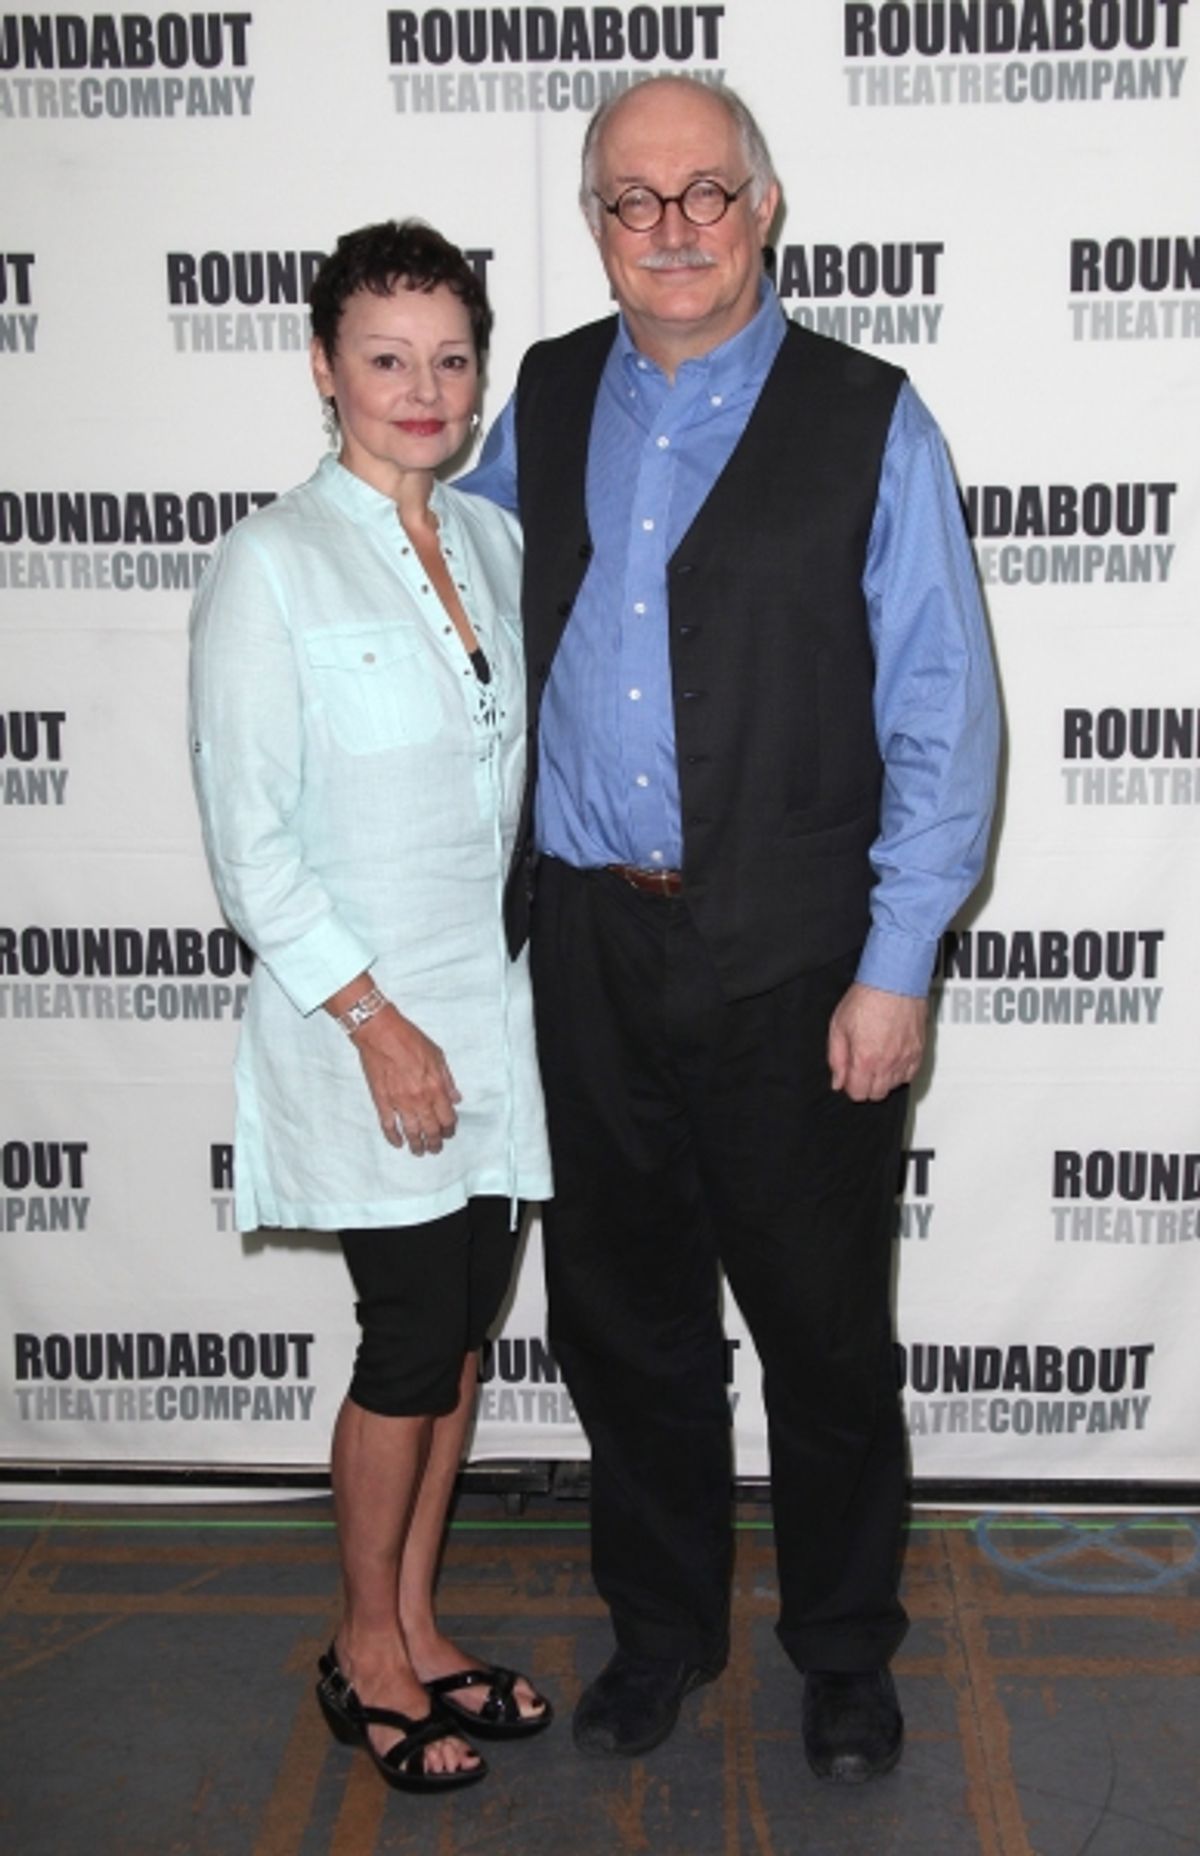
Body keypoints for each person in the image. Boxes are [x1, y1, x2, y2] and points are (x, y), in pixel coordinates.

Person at [462, 77, 999, 1779]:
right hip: (592, 959)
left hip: (795, 966)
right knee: (625, 1328)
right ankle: (662, 1635)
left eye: (707, 194)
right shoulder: (539, 403)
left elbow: (943, 719)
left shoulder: (872, 421)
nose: (673, 228)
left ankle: (844, 1653)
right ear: (595, 225)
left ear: (766, 207)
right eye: (635, 200)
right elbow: (450, 614)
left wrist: (894, 965)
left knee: (826, 1337)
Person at [188, 220, 554, 1795]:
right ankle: (362, 1647)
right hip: (368, 1026)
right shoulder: (270, 562)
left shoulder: (498, 543)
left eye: (451, 358)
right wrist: (373, 1015)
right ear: (325, 364)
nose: (423, 388)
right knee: (407, 1339)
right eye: (387, 357)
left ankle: (415, 1618)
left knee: (462, 1331)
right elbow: (248, 834)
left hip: (496, 1011)